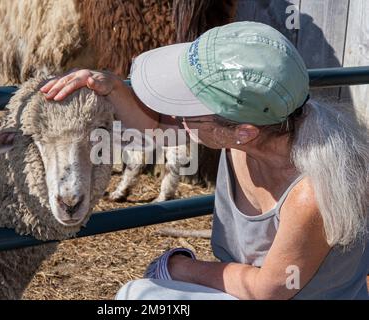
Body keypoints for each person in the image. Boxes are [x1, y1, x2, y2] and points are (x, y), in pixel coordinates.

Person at [41, 22, 369, 300]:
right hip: (245, 291)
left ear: (243, 131)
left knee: (138, 295)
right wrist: (110, 86)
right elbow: (156, 130)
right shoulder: (261, 131)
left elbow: (270, 288)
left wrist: (180, 267)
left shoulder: (310, 193)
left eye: (189, 110)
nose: (178, 116)